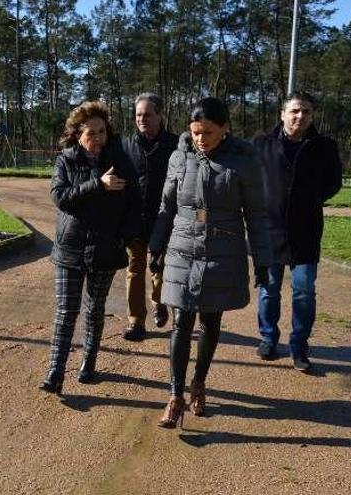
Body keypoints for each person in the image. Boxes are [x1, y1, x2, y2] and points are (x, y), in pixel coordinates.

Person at [149, 97, 272, 427]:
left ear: (225, 129)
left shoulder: (244, 162)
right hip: (181, 248)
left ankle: (199, 383)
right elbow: (166, 206)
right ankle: (174, 395)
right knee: (181, 321)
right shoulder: (179, 157)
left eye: (207, 132)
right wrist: (156, 246)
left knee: (210, 323)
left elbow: (256, 216)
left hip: (222, 251)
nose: (200, 139)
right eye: (194, 132)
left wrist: (262, 260)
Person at [40, 101, 141, 394]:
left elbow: (135, 205)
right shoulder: (66, 161)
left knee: (95, 309)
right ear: (76, 134)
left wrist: (123, 237)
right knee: (65, 311)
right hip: (70, 249)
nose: (97, 138)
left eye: (102, 131)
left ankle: (88, 362)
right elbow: (61, 198)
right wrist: (98, 184)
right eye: (90, 133)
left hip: (106, 249)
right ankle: (55, 372)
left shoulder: (121, 162)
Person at [252, 92, 343, 372]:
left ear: (312, 116)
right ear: (282, 114)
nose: (300, 116)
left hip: (306, 231)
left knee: (304, 292)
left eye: (306, 111)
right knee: (269, 290)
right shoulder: (261, 144)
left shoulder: (324, 146)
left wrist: (312, 199)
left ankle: (299, 346)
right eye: (294, 111)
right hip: (270, 231)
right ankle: (268, 338)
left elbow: (334, 183)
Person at [121, 93, 179, 341]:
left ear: (160, 116)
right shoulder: (125, 145)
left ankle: (158, 302)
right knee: (135, 269)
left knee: (160, 268)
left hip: (164, 220)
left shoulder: (176, 144)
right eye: (138, 115)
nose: (142, 119)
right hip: (134, 219)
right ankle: (135, 321)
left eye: (147, 114)